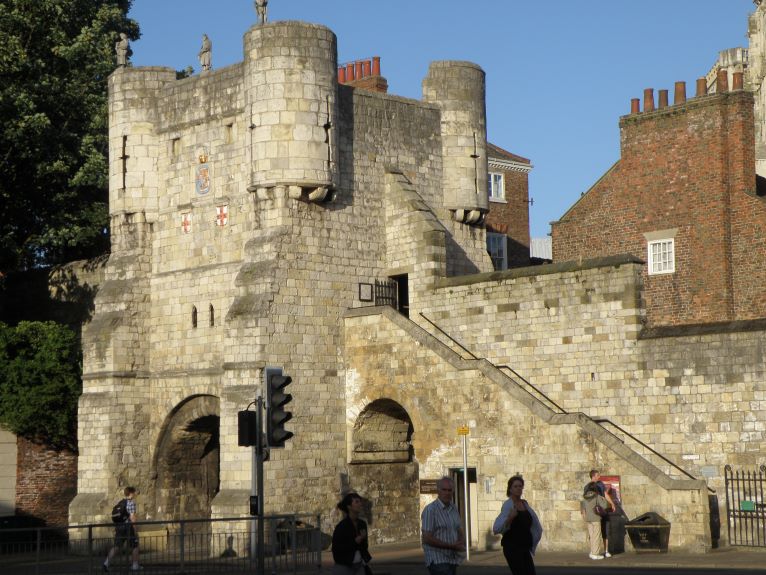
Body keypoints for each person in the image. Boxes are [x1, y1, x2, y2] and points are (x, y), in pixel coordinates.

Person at [492, 475, 543, 575]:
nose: (518, 488)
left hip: (524, 547)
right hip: (512, 547)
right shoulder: (508, 505)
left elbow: (533, 523)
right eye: (515, 486)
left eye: (520, 486)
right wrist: (510, 518)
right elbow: (496, 528)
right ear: (510, 489)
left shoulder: (524, 504)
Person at [421, 477, 465, 575]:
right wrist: (450, 546)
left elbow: (459, 528)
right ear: (438, 491)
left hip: (452, 558)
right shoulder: (430, 510)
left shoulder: (453, 508)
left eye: (450, 490)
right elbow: (427, 538)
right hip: (437, 558)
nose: (447, 493)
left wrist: (461, 541)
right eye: (444, 490)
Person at [331, 492, 371, 575]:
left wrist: (362, 540)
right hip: (344, 567)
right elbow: (336, 549)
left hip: (359, 566)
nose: (360, 504)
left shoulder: (362, 524)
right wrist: (355, 541)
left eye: (360, 501)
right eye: (356, 502)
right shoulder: (342, 526)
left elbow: (364, 546)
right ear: (349, 507)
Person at [103, 486, 140, 572]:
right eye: (134, 492)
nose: (134, 494)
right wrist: (135, 531)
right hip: (128, 528)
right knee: (135, 545)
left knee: (116, 546)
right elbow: (132, 518)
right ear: (131, 493)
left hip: (120, 527)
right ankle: (135, 565)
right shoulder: (131, 503)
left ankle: (106, 563)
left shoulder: (121, 502)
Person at [588, 469, 614, 556]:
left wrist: (612, 503)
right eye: (598, 475)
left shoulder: (600, 484)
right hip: (594, 512)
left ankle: (606, 550)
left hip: (603, 510)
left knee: (605, 530)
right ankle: (593, 551)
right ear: (594, 476)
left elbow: (605, 494)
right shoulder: (587, 487)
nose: (599, 476)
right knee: (594, 532)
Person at [581, 481, 609, 560]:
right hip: (595, 518)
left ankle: (592, 552)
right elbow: (605, 505)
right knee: (596, 536)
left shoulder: (585, 496)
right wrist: (603, 498)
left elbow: (582, 506)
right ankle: (595, 554)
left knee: (592, 536)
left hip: (588, 519)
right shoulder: (596, 496)